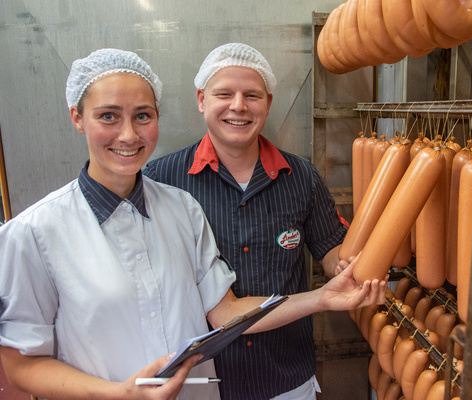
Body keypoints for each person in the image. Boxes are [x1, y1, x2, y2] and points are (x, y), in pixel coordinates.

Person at [0, 48, 386, 400]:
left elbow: (226, 312)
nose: (129, 134)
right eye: (108, 116)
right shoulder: (34, 233)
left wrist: (331, 291)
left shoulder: (181, 208)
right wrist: (119, 394)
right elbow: (21, 364)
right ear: (77, 118)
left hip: (253, 381)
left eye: (142, 116)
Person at [144, 43, 352, 400]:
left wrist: (348, 266)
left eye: (252, 95)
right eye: (224, 93)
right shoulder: (162, 180)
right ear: (201, 100)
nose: (238, 106)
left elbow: (330, 249)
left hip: (286, 377)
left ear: (268, 104)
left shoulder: (301, 176)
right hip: (199, 382)